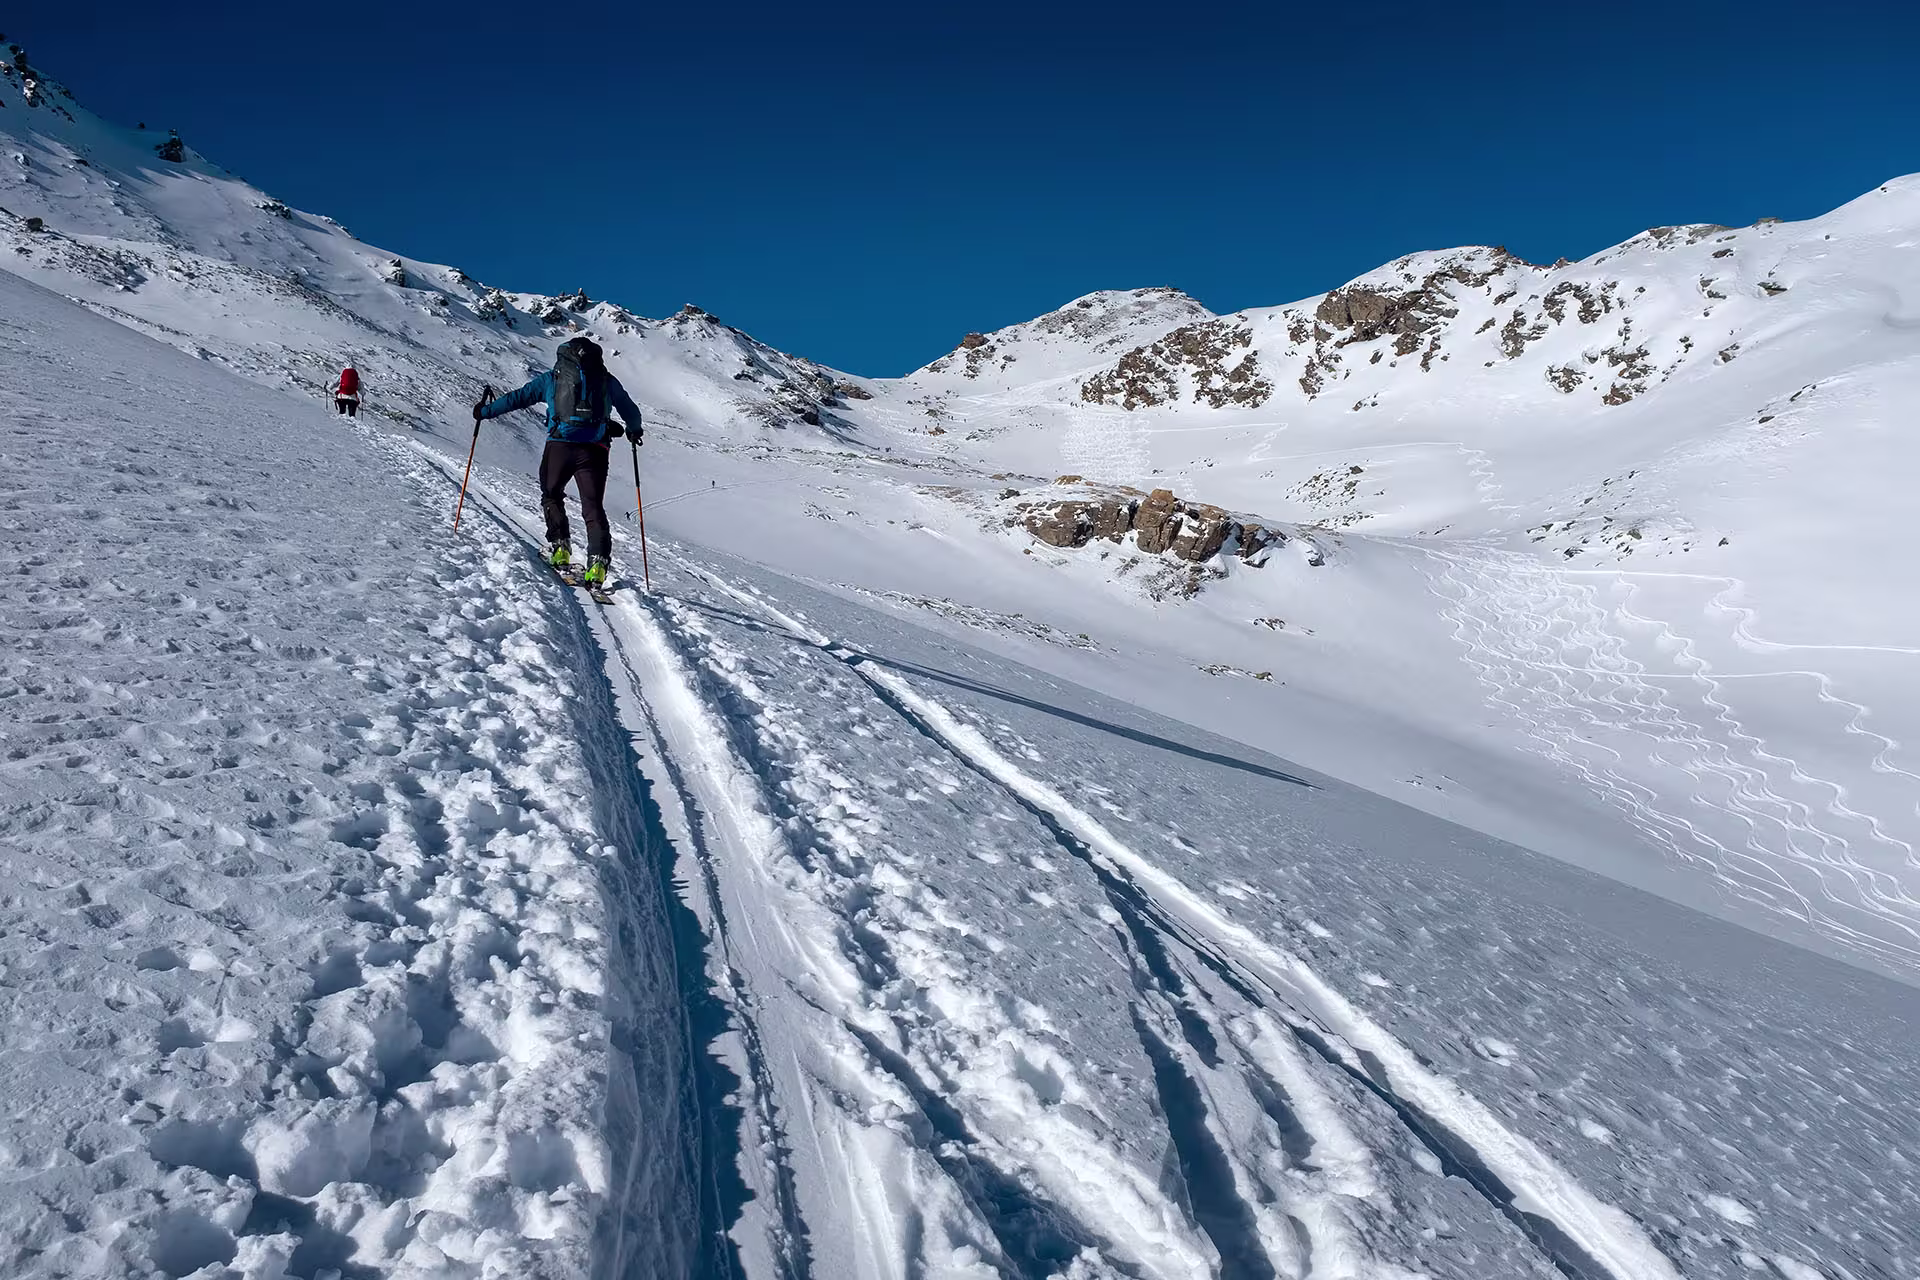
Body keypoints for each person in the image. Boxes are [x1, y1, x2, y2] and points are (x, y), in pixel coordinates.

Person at [473, 337, 643, 588]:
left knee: (552, 494)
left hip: (559, 446)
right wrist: (634, 430)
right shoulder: (606, 380)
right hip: (595, 450)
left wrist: (484, 412)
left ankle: (560, 547)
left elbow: (518, 398)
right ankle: (597, 565)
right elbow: (631, 411)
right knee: (593, 506)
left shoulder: (552, 378)